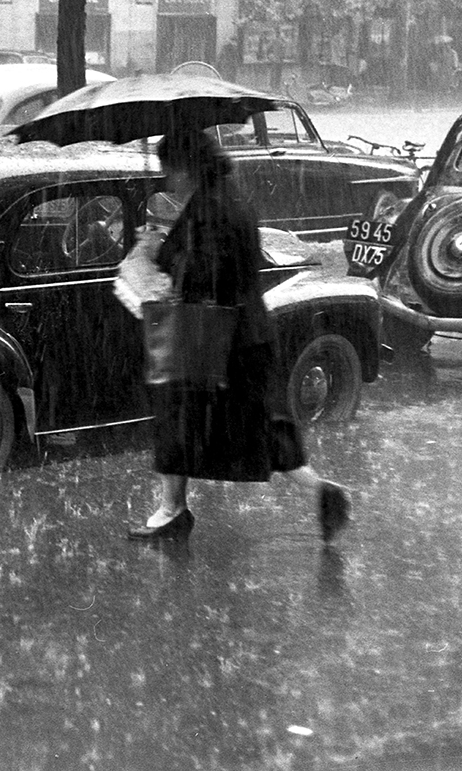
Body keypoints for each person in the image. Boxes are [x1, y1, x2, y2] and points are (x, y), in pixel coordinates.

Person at [128, 124, 351, 543]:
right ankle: (320, 490)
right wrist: (166, 245)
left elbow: (209, 275)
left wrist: (158, 255)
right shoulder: (221, 199)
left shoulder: (212, 209)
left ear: (189, 166)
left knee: (180, 417)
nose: (166, 179)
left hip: (218, 340)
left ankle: (172, 510)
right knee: (253, 426)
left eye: (170, 169)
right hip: (244, 335)